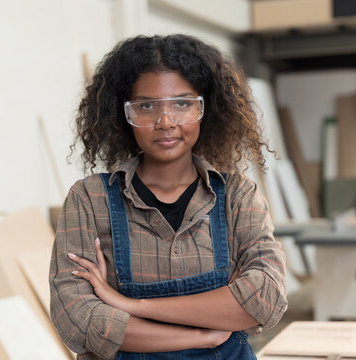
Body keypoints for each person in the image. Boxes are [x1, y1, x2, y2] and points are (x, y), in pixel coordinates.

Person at [49, 34, 287, 360]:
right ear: (124, 113)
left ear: (206, 109)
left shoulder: (238, 196)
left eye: (183, 103)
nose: (166, 122)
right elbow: (76, 318)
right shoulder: (90, 200)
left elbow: (266, 299)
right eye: (146, 106)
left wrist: (131, 306)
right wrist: (208, 334)